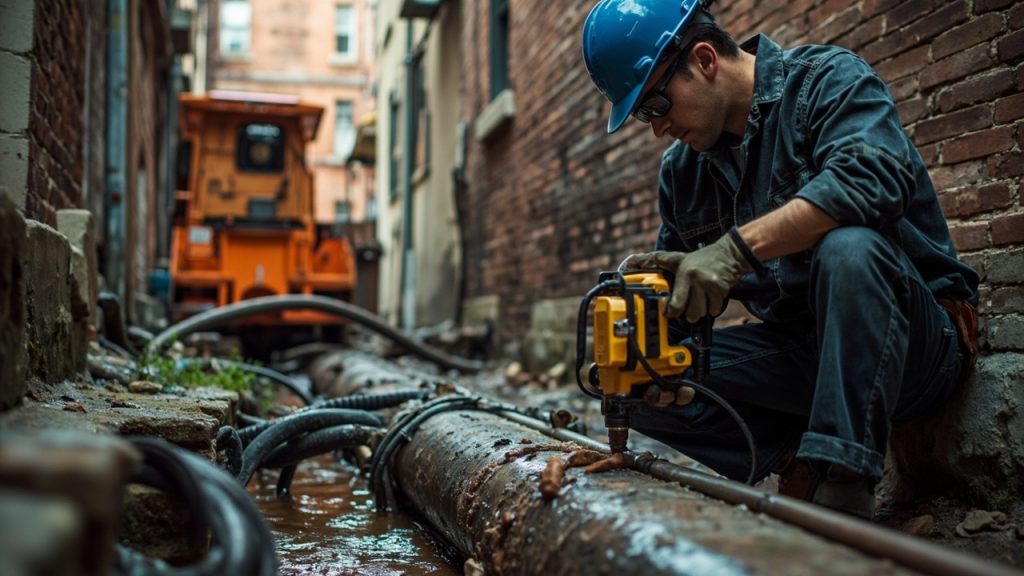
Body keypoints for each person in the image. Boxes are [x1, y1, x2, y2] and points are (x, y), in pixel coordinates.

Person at [581, 0, 979, 519]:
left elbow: (871, 181)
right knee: (633, 378)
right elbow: (684, 314)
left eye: (656, 105)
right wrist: (652, 313)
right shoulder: (683, 173)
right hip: (802, 356)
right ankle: (796, 462)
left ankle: (845, 482)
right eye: (642, 116)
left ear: (704, 59)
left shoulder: (826, 82)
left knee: (850, 246)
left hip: (914, 346)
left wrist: (733, 251)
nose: (657, 128)